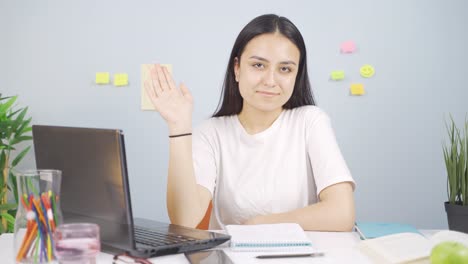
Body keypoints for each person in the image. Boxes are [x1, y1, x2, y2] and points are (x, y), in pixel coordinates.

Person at [144, 14, 356, 231]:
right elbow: (184, 221)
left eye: (285, 69)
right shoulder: (211, 133)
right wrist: (178, 127)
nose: (270, 81)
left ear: (296, 75)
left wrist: (259, 224)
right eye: (258, 65)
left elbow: (342, 213)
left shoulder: (311, 121)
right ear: (237, 68)